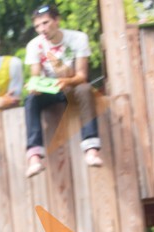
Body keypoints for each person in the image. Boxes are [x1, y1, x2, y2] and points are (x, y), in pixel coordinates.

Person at [24, 4, 103, 178]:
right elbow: (36, 76)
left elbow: (82, 76)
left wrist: (66, 81)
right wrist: (34, 86)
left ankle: (91, 149)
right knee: (30, 99)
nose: (42, 29)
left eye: (45, 23)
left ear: (57, 20)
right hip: (50, 89)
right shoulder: (34, 45)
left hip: (72, 86)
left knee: (85, 89)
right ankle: (34, 156)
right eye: (37, 26)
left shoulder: (78, 38)